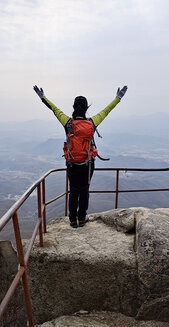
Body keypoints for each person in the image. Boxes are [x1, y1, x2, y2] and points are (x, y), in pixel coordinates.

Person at [33, 85, 128, 228]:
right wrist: (118, 98)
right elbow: (107, 110)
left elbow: (54, 109)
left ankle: (72, 220)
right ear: (86, 108)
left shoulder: (67, 122)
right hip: (88, 164)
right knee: (84, 190)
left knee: (73, 190)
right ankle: (82, 218)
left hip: (72, 163)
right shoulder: (92, 122)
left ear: (73, 106)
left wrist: (42, 97)